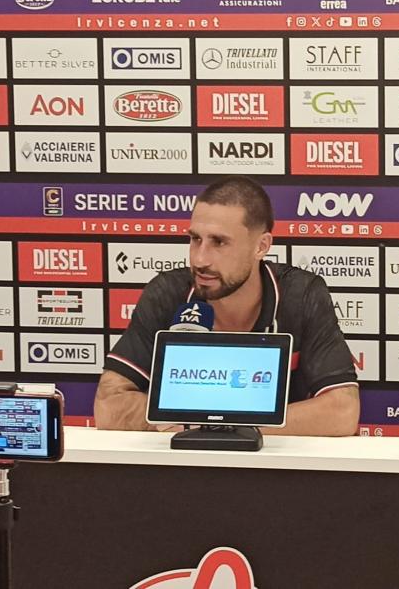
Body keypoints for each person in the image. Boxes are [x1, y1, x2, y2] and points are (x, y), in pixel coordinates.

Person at [95, 176, 360, 436]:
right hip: (188, 462)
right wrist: (208, 425)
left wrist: (222, 426)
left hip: (275, 462)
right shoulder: (168, 293)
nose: (200, 260)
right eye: (195, 239)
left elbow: (342, 411)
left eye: (219, 242)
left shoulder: (301, 295)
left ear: (261, 246)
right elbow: (108, 405)